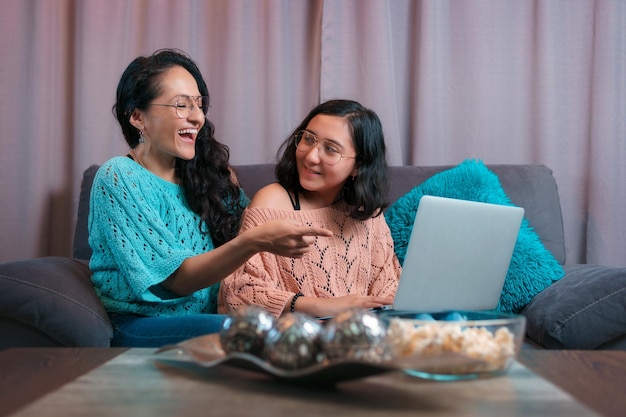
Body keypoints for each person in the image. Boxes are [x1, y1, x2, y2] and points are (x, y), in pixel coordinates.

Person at [88, 49, 331, 347]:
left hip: (216, 316)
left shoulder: (209, 175)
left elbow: (259, 234)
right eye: (181, 105)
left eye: (199, 105)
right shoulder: (119, 177)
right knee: (251, 331)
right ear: (138, 117)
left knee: (301, 328)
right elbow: (176, 281)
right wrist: (255, 239)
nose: (197, 117)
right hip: (143, 325)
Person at [218, 99, 401, 318]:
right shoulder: (273, 202)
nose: (311, 156)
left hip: (361, 338)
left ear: (359, 166)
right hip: (295, 340)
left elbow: (389, 293)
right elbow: (238, 293)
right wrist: (316, 306)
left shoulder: (368, 214)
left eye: (330, 149)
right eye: (308, 139)